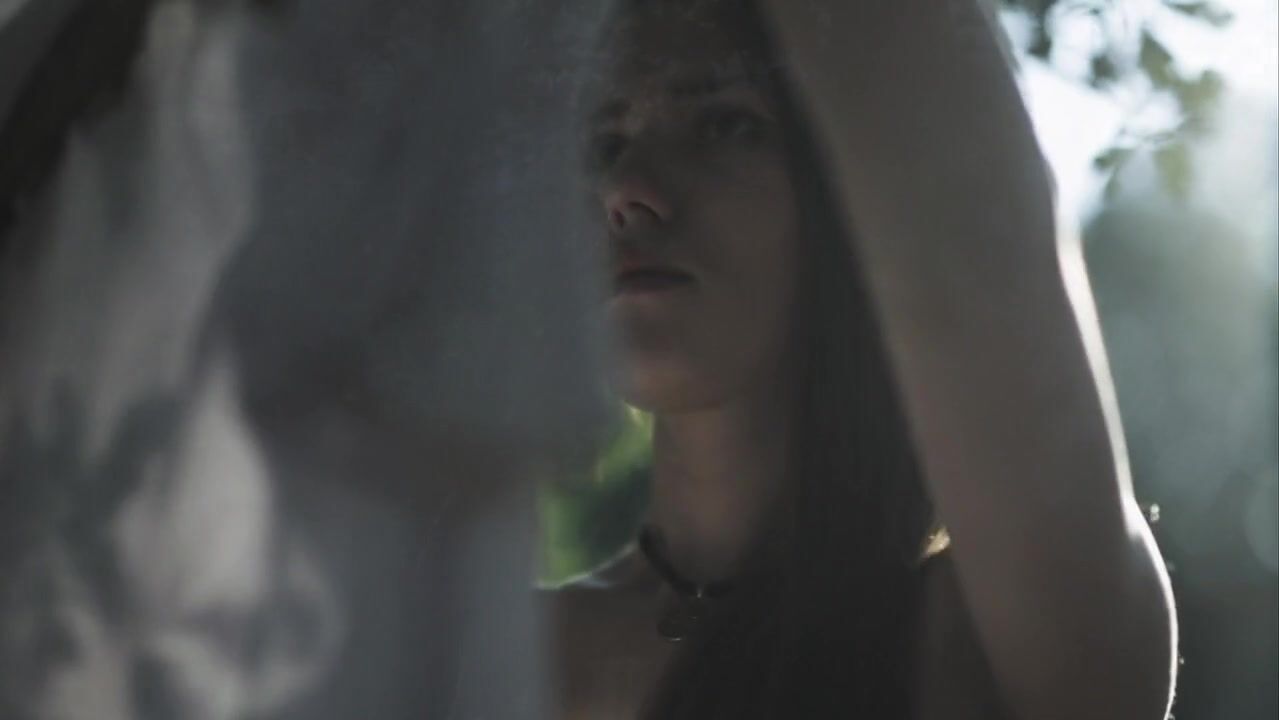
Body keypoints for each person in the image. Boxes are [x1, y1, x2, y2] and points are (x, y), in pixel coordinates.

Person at [548, 1, 1178, 719]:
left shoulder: (994, 642)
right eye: (605, 145)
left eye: (723, 125)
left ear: (864, 188)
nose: (626, 191)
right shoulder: (502, 647)